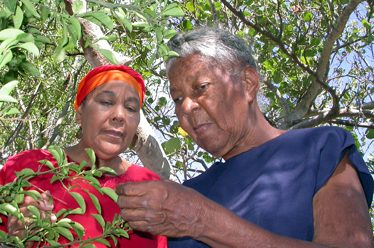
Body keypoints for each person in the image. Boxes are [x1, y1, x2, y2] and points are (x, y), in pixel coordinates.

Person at [116, 28, 374, 247]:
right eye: (178, 98)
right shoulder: (184, 196)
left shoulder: (321, 149)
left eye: (201, 88)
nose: (186, 108)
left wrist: (202, 219)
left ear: (248, 83)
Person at [0, 65, 167, 248]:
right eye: (106, 102)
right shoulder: (29, 167)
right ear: (80, 114)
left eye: (131, 108)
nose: (119, 115)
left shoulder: (149, 185)